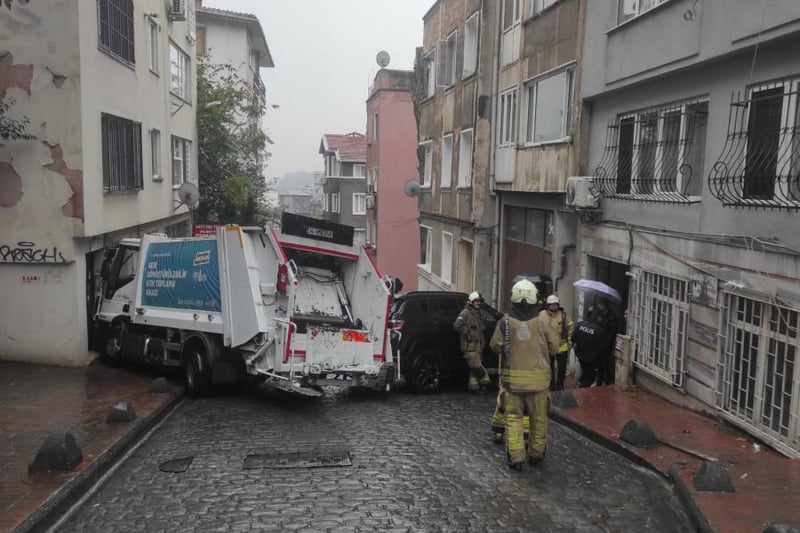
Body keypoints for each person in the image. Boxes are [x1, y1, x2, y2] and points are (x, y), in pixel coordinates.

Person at [490, 279, 559, 470]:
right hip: (539, 384)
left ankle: (516, 458)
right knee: (538, 419)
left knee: (513, 419)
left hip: (512, 383)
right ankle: (536, 455)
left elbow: (495, 346)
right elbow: (554, 348)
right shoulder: (543, 321)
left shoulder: (505, 321)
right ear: (534, 299)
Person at [453, 291, 491, 393]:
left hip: (479, 345)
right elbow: (456, 325)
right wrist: (467, 331)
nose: (478, 303)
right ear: (471, 302)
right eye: (476, 301)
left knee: (474, 369)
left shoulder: (479, 313)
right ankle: (485, 382)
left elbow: (482, 327)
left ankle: (474, 387)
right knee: (476, 365)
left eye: (479, 301)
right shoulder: (465, 313)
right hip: (469, 345)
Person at [539, 295, 574, 391]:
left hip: (561, 346)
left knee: (562, 368)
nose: (554, 306)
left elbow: (570, 328)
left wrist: (570, 340)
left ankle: (560, 384)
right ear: (548, 305)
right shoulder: (542, 315)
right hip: (547, 346)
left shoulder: (564, 315)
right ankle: (551, 384)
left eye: (556, 304)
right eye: (552, 304)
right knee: (549, 368)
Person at [570, 307, 605, 388]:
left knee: (585, 371)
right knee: (589, 374)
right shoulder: (598, 329)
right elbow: (601, 345)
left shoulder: (580, 325)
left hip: (580, 354)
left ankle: (580, 384)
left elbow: (573, 338)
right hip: (592, 357)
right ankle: (582, 387)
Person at [595, 297, 619, 386]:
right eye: (599, 304)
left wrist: (606, 343)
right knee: (599, 365)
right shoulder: (600, 315)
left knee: (606, 364)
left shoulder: (611, 317)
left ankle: (608, 382)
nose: (599, 306)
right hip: (598, 343)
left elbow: (612, 332)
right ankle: (599, 381)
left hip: (606, 345)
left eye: (601, 304)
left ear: (605, 306)